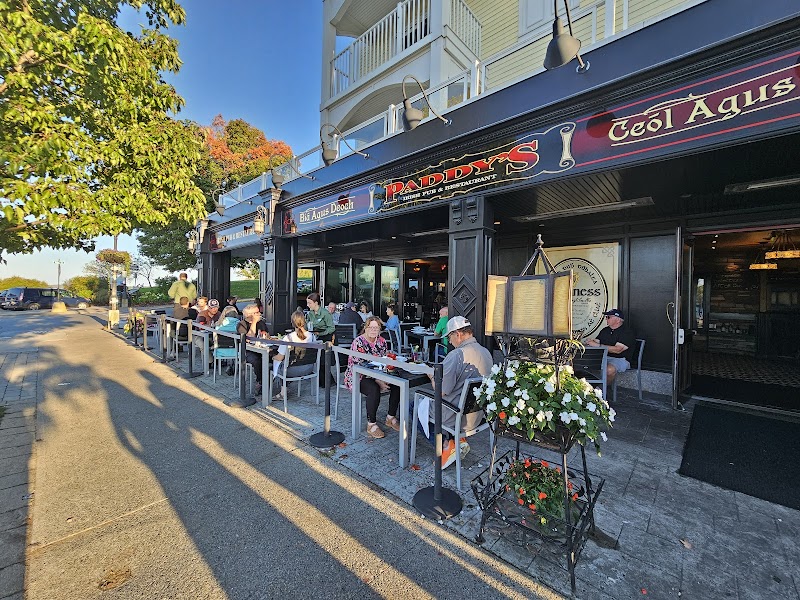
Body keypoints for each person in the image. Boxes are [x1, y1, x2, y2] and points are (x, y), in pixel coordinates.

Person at [419, 316, 493, 468]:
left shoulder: (457, 355)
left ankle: (447, 445)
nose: (449, 341)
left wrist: (432, 376)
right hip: (478, 415)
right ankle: (457, 440)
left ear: (458, 334)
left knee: (414, 406)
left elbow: (441, 391)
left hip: (456, 416)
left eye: (450, 337)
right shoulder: (486, 353)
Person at [344, 316, 401, 439]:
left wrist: (385, 375)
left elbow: (383, 361)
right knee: (373, 389)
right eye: (371, 327)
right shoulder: (358, 342)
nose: (373, 330)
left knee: (398, 383)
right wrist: (378, 380)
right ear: (366, 327)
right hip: (358, 375)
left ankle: (390, 417)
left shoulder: (382, 341)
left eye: (376, 327)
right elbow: (358, 366)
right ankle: (371, 424)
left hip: (378, 373)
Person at [272, 310, 318, 400]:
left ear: (292, 323)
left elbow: (280, 357)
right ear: (304, 321)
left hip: (291, 371)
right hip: (309, 368)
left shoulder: (288, 338)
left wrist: (272, 357)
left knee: (279, 364)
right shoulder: (312, 336)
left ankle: (282, 393)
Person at [586, 308, 636, 387]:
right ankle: (586, 388)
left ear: (618, 320)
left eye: (609, 317)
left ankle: (602, 390)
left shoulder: (626, 332)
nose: (606, 319)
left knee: (609, 370)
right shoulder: (605, 330)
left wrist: (597, 346)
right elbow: (596, 341)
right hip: (603, 357)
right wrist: (589, 342)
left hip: (621, 359)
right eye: (606, 317)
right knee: (583, 364)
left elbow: (618, 350)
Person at [237, 304, 270, 395]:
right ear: (249, 315)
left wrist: (266, 336)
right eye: (256, 312)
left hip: (262, 349)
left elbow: (266, 335)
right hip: (247, 351)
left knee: (276, 356)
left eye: (259, 312)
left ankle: (274, 381)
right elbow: (247, 339)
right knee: (257, 360)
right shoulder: (241, 325)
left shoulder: (261, 322)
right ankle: (260, 382)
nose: (259, 314)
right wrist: (254, 323)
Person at [215, 306, 239, 376]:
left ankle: (229, 365)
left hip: (220, 351)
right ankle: (232, 365)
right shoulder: (239, 324)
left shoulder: (219, 324)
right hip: (235, 351)